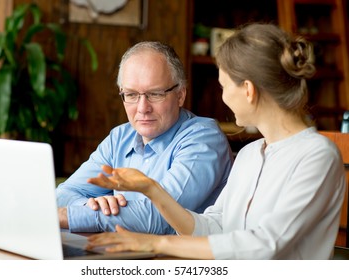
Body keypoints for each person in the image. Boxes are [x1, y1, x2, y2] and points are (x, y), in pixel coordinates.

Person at [86, 23, 346, 259]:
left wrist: (157, 244)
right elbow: (214, 228)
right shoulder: (250, 154)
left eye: (223, 87)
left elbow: (266, 244)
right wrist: (152, 190)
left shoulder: (317, 155)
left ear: (248, 90)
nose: (222, 98)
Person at [56, 41, 233, 234]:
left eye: (155, 94)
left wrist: (70, 215)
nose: (142, 108)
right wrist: (94, 206)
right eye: (131, 94)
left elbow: (161, 217)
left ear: (180, 95)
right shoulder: (119, 138)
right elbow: (63, 194)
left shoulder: (204, 139)